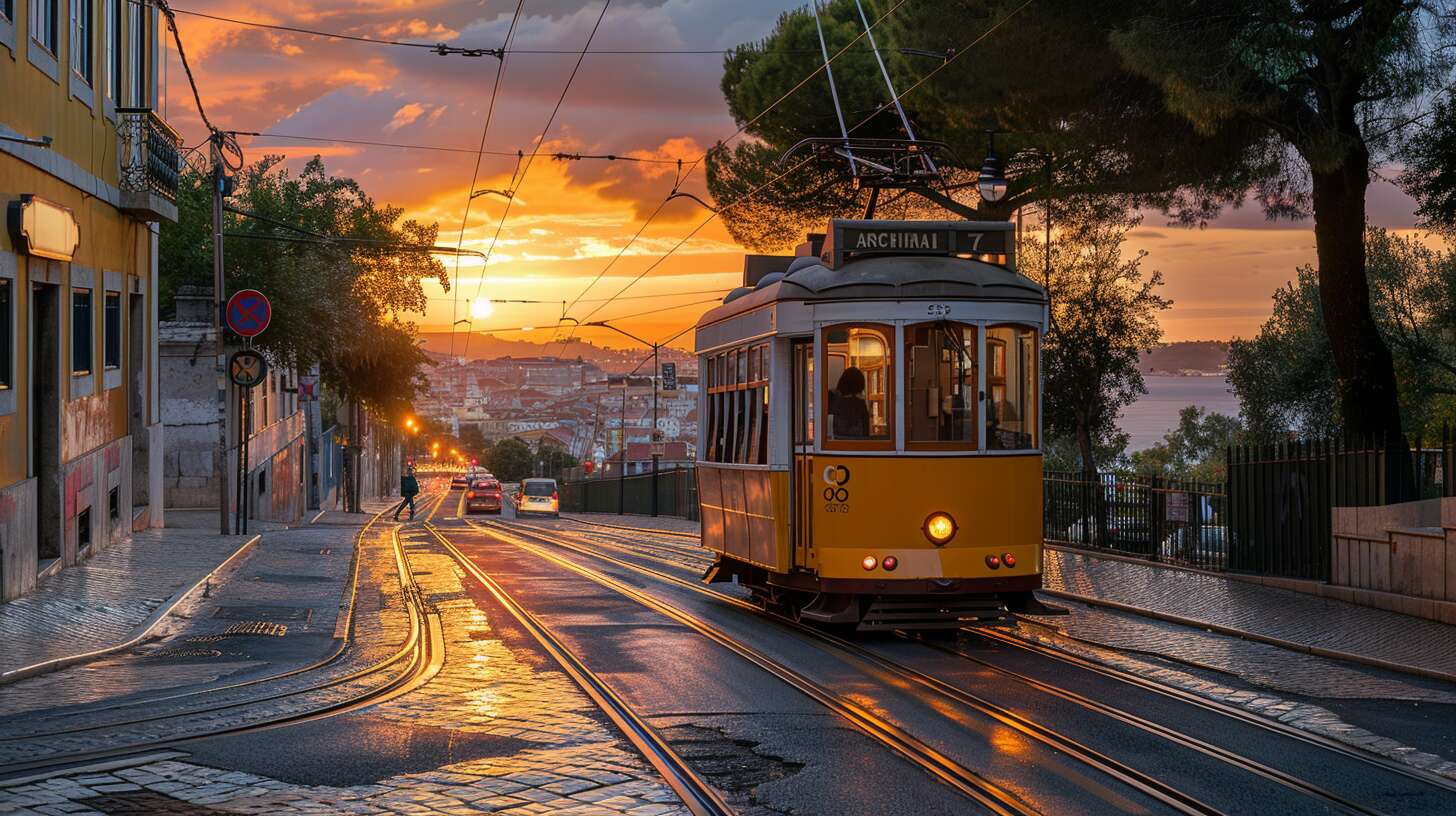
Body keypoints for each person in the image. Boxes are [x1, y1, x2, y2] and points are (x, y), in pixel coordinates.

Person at [831, 367, 870, 438]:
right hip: (857, 445)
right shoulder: (860, 404)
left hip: (836, 444)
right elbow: (865, 431)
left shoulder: (834, 401)